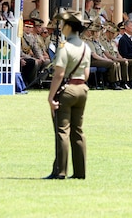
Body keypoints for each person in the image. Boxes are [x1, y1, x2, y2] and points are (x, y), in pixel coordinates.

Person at [46, 11, 91, 180]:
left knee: (62, 131)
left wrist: (50, 97)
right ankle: (80, 172)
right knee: (78, 131)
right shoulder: (86, 47)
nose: (61, 27)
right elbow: (86, 73)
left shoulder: (65, 47)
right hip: (82, 88)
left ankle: (60, 170)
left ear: (69, 27)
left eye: (63, 24)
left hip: (67, 89)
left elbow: (59, 74)